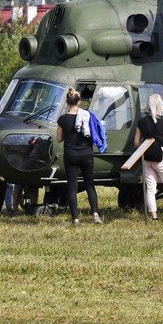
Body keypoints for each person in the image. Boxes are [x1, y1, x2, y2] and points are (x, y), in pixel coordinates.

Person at [56, 88, 102, 225]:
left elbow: (59, 138)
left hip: (71, 154)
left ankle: (75, 218)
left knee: (72, 186)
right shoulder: (87, 116)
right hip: (87, 154)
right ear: (79, 102)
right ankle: (95, 214)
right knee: (89, 184)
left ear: (67, 102)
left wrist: (69, 134)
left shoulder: (62, 119)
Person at [134, 93, 163, 222]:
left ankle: (154, 216)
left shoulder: (141, 121)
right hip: (162, 154)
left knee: (150, 187)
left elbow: (136, 142)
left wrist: (145, 148)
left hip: (147, 156)